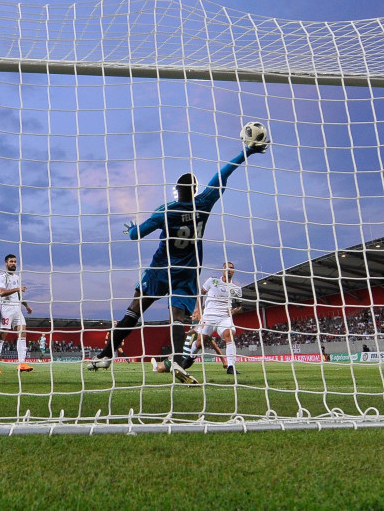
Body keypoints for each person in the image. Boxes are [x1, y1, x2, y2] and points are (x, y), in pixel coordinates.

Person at [88, 137, 269, 385]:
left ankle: (106, 356)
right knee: (177, 319)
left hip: (160, 269)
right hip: (186, 272)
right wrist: (246, 152)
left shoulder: (166, 210)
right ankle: (174, 360)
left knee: (133, 311)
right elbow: (222, 174)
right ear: (195, 189)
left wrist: (130, 229)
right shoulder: (203, 203)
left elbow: (136, 235)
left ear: (177, 189)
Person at [195, 261, 245, 375]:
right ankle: (189, 358)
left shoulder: (236, 289)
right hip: (209, 315)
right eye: (227, 268)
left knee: (229, 335)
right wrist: (199, 310)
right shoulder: (212, 281)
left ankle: (231, 366)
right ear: (223, 270)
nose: (229, 270)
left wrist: (234, 311)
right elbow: (201, 294)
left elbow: (240, 307)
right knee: (199, 342)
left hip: (224, 317)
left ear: (234, 271)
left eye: (231, 268)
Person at [0, 254, 34, 373]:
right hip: (5, 309)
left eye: (15, 261)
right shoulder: (2, 276)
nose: (13, 263)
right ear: (6, 263)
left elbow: (19, 294)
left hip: (17, 308)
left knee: (22, 332)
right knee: (2, 337)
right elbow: (1, 293)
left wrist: (26, 305)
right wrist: (17, 289)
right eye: (11, 261)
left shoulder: (17, 277)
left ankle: (21, 363)